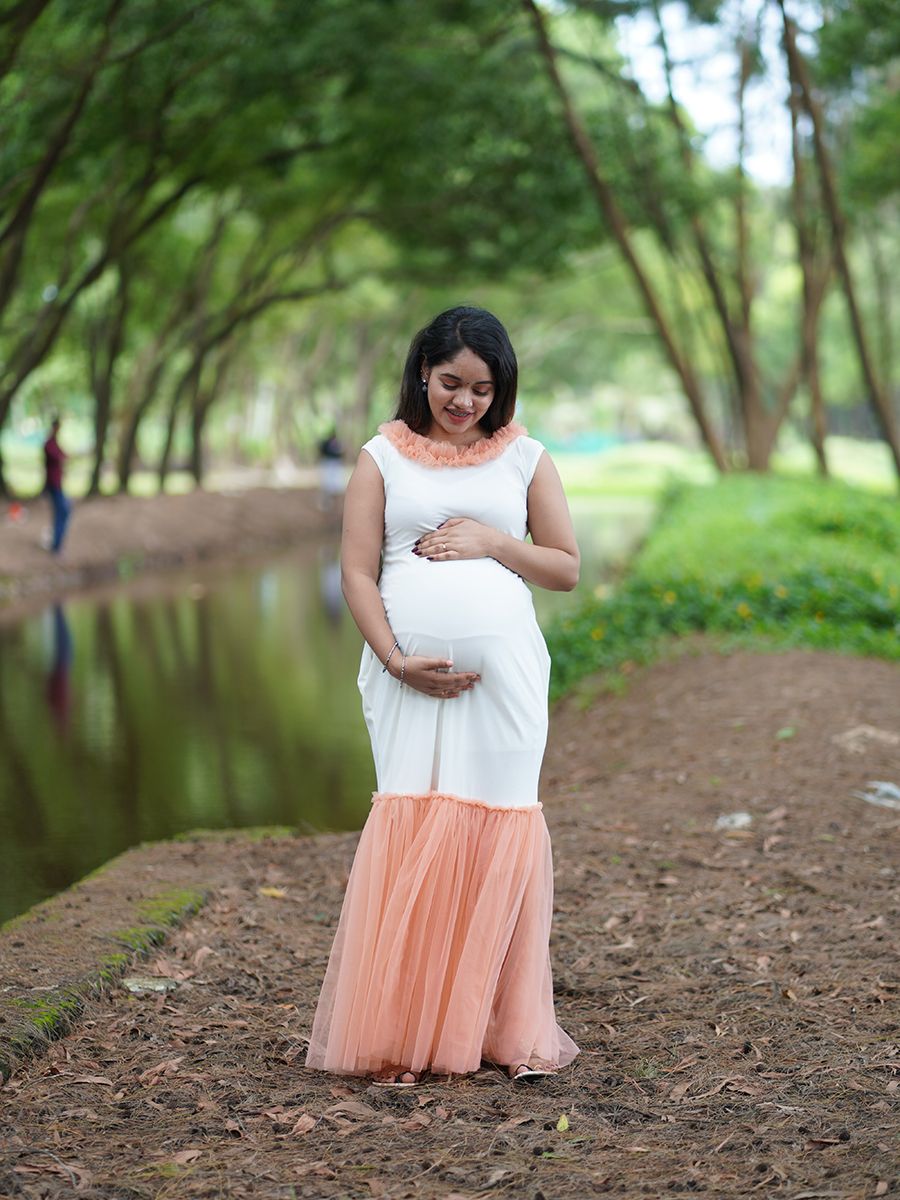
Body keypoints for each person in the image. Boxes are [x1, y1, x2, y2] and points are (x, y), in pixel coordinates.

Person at [305, 305, 581, 1085]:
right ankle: (403, 1027)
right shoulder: (380, 457)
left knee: (500, 821)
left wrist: (493, 541)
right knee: (416, 816)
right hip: (404, 680)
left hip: (508, 684)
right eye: (451, 383)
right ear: (423, 370)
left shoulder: (524, 455)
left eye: (482, 389)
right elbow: (358, 570)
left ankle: (498, 1026)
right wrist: (394, 658)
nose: (464, 403)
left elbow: (565, 566)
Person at [43, 416, 71, 553]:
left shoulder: (54, 442)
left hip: (57, 483)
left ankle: (57, 544)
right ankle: (56, 546)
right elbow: (59, 456)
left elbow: (63, 455)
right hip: (54, 484)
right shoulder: (49, 443)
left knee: (62, 512)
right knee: (63, 511)